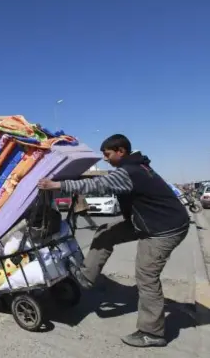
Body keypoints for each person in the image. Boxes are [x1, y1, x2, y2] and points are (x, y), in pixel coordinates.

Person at [38, 134, 189, 348]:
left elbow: (97, 185)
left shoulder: (130, 172)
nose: (105, 159)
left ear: (121, 151)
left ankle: (152, 332)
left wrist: (57, 185)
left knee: (146, 276)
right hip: (147, 221)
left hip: (163, 229)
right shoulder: (136, 166)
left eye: (107, 154)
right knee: (105, 232)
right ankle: (86, 277)